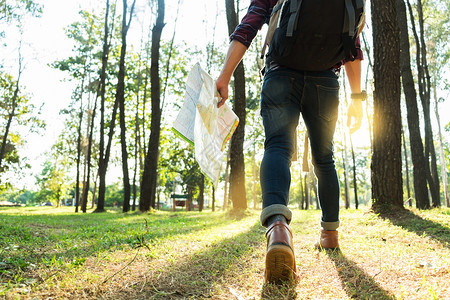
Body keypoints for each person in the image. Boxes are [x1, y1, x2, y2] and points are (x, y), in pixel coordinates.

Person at [216, 0, 365, 283]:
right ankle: (330, 235)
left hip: (281, 73)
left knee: (278, 147)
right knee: (324, 158)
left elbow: (249, 24)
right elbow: (353, 44)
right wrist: (357, 98)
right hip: (326, 80)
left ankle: (278, 229)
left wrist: (225, 75)